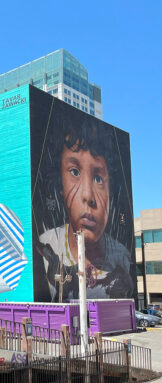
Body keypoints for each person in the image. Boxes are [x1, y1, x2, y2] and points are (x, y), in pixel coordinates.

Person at [37, 119, 133, 301]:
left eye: (98, 178)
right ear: (61, 187)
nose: (88, 196)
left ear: (110, 192)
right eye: (74, 172)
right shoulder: (45, 248)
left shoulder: (122, 258)